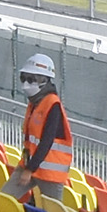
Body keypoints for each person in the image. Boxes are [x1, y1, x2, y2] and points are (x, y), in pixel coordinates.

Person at [16, 53, 73, 194]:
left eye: (32, 79)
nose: (27, 83)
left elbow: (47, 141)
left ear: (45, 80)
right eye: (24, 78)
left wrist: (30, 169)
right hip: (30, 164)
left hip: (50, 173)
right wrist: (29, 167)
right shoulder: (34, 103)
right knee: (3, 198)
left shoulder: (52, 105)